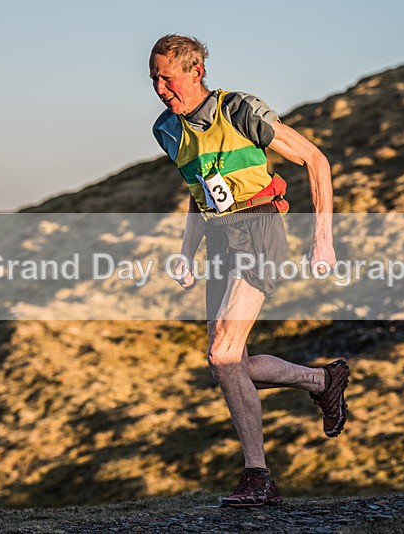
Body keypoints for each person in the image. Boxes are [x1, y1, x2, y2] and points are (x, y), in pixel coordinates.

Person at [149, 34, 349, 508]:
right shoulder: (167, 130)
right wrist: (186, 251)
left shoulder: (239, 109)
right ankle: (324, 381)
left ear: (195, 71)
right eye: (154, 79)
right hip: (219, 239)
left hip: (259, 228)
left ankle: (258, 477)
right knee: (229, 363)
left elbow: (315, 160)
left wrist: (324, 238)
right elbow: (199, 196)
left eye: (167, 77)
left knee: (222, 355)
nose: (160, 88)